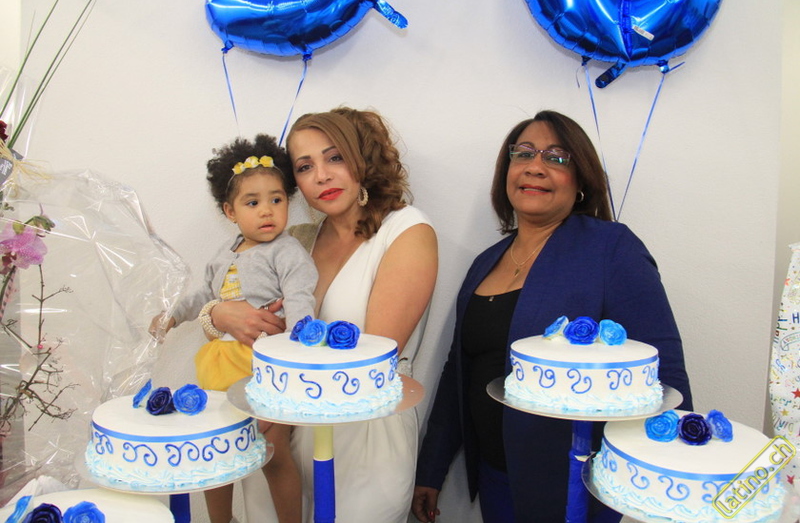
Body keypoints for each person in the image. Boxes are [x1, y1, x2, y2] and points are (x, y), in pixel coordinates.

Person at [411, 110, 693, 523]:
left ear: (581, 183)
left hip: (578, 485)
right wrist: (431, 470)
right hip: (496, 479)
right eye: (523, 153)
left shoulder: (611, 248)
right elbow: (460, 371)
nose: (535, 167)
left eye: (557, 158)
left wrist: (671, 474)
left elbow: (663, 368)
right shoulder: (484, 263)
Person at [207, 107, 438, 523]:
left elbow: (372, 357)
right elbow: (232, 301)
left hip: (364, 435)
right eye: (304, 166)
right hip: (280, 432)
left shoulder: (406, 230)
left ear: (363, 158)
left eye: (335, 158)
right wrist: (219, 314)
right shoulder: (296, 239)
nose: (321, 176)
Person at [149, 134, 317, 523]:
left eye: (277, 200)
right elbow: (202, 297)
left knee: (273, 453)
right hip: (219, 364)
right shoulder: (223, 255)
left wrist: (298, 344)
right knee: (215, 450)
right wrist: (171, 316)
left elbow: (299, 296)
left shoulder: (286, 251)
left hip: (261, 365)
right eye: (252, 202)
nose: (267, 211)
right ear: (230, 211)